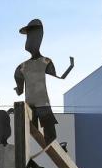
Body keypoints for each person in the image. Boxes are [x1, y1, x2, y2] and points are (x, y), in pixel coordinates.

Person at [14, 18, 74, 147]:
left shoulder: (40, 63)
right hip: (32, 105)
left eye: (31, 36)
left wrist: (70, 67)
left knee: (49, 133)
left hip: (41, 104)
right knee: (35, 132)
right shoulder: (23, 67)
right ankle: (51, 147)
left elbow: (59, 77)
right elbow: (20, 90)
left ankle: (56, 147)